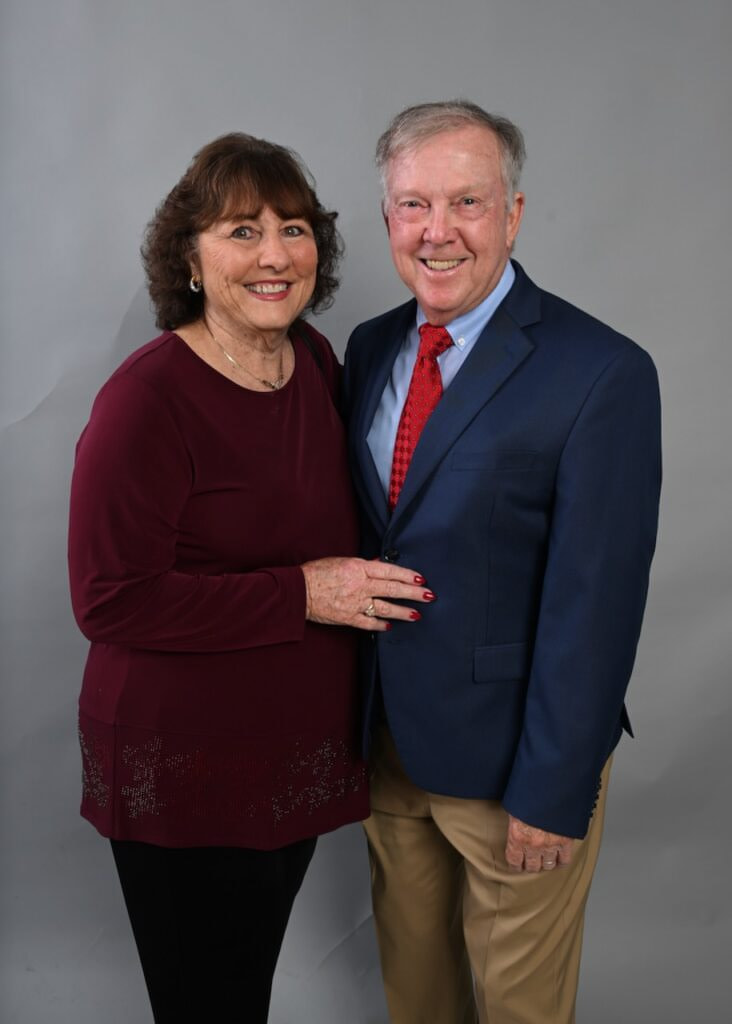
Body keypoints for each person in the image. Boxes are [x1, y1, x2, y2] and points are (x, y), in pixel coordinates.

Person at [68, 132, 430, 1024]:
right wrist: (303, 592)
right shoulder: (146, 400)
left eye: (294, 229)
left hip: (289, 750)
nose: (275, 255)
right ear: (190, 259)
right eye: (242, 231)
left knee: (244, 989)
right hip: (184, 761)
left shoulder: (314, 363)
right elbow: (110, 598)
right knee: (210, 1005)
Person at [342, 101, 662, 1024]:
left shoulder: (600, 371)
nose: (437, 230)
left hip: (516, 768)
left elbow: (596, 601)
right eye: (414, 205)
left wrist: (555, 788)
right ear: (389, 218)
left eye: (467, 202)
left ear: (512, 214)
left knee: (520, 1010)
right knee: (417, 1000)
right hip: (390, 752)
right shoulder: (369, 348)